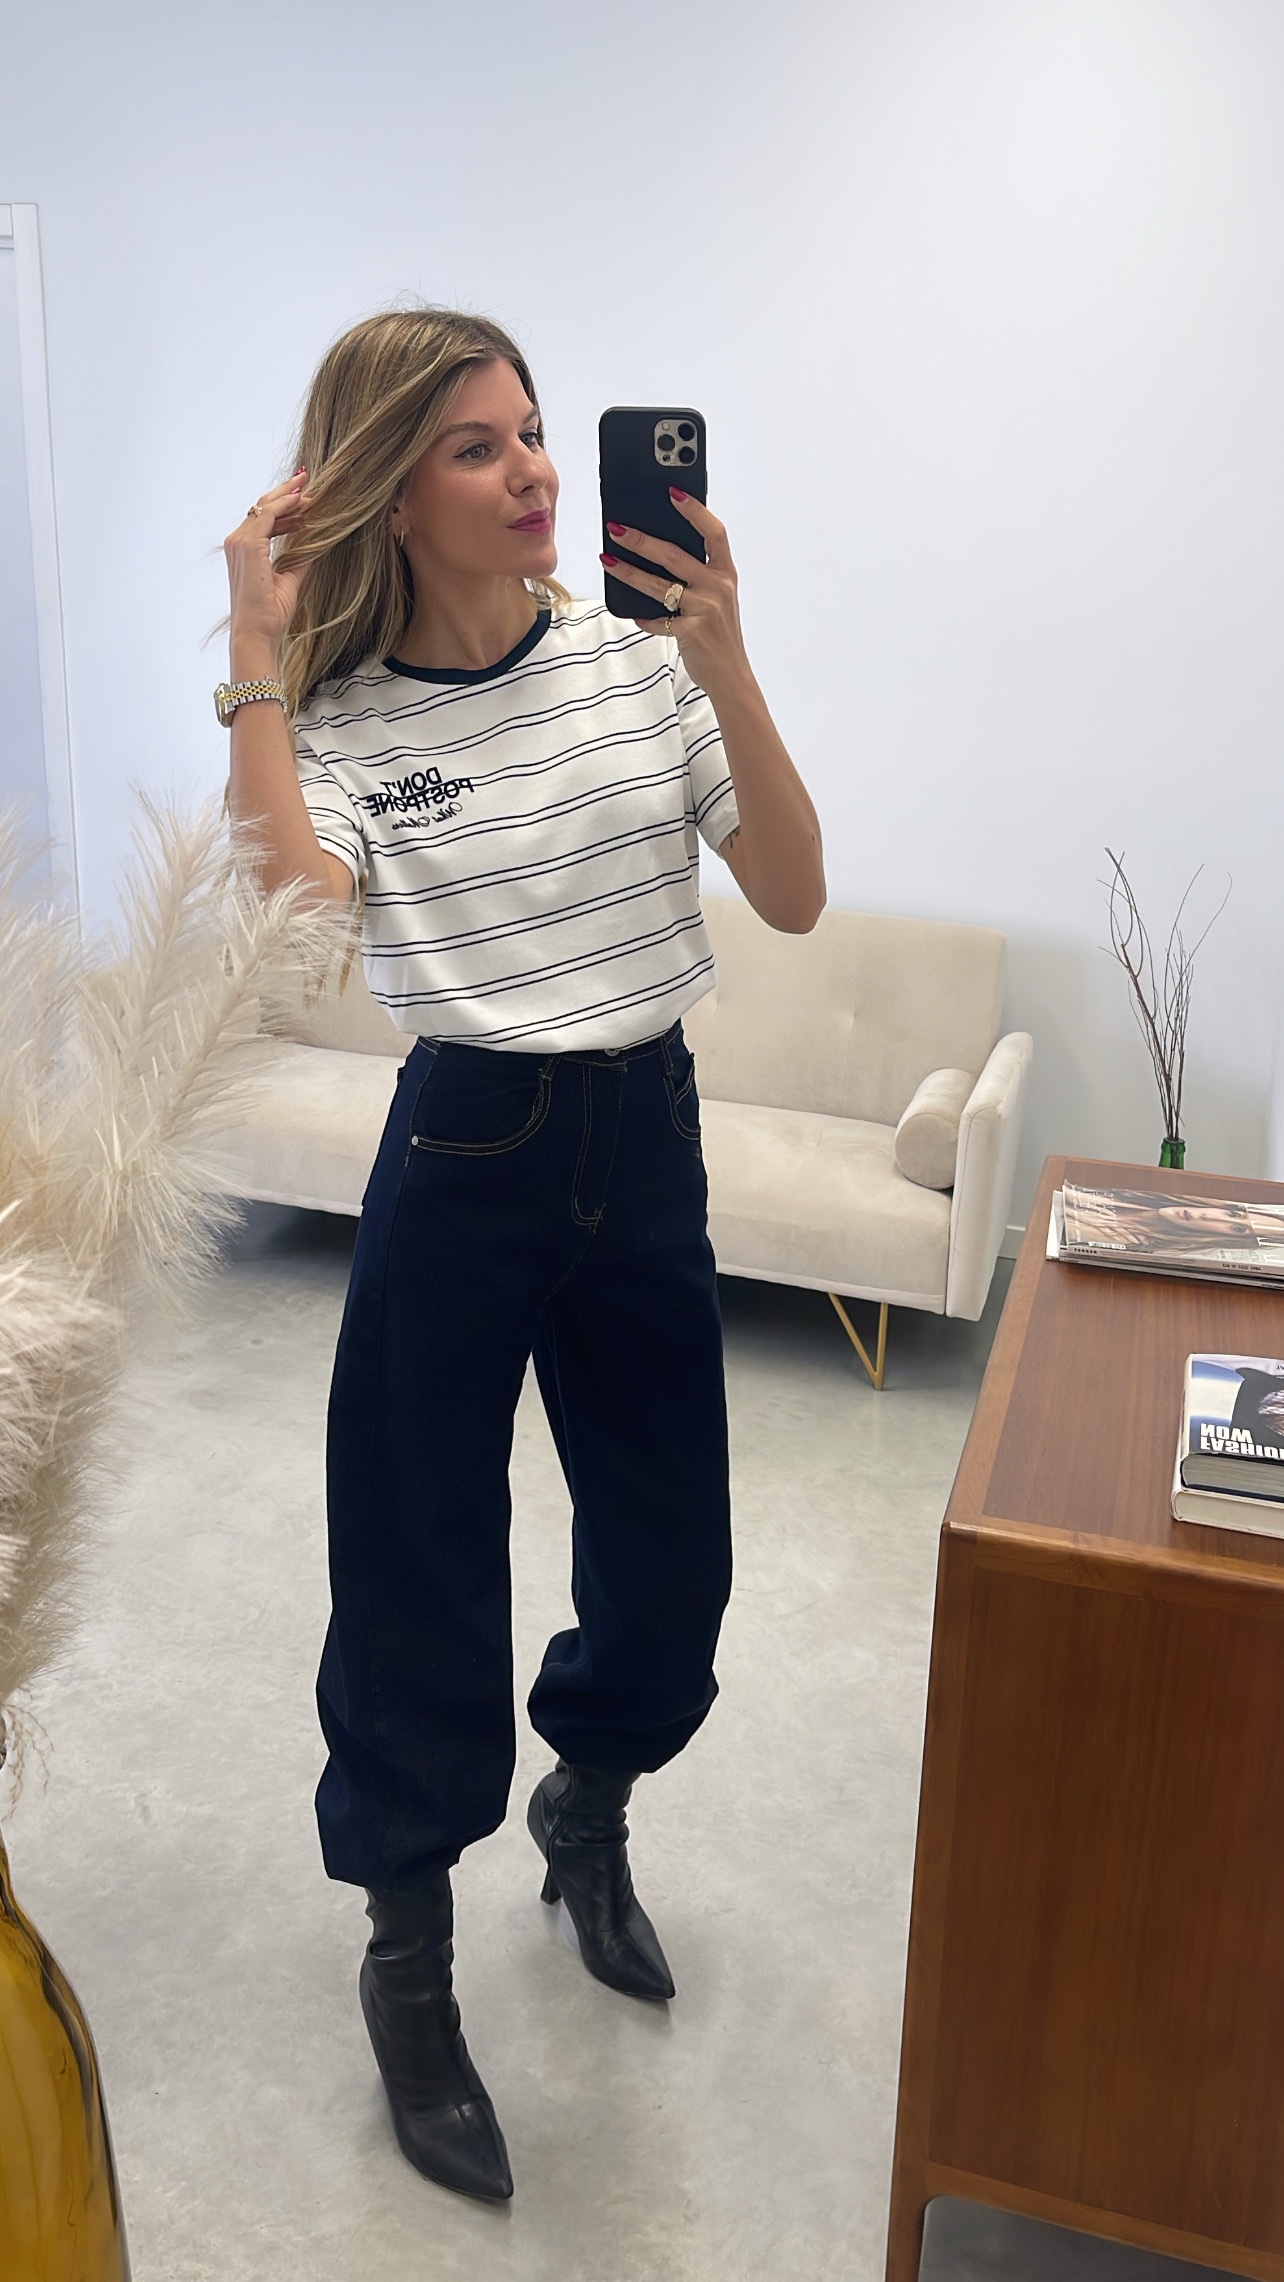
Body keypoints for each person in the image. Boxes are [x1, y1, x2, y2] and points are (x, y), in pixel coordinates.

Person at [221, 306, 824, 2204]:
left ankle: (591, 1801)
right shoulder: (340, 720)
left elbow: (795, 889)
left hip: (645, 1139)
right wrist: (253, 658)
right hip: (465, 1148)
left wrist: (729, 667)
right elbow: (301, 935)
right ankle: (408, 1955)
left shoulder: (641, 669)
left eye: (537, 431)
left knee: (674, 1560)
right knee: (413, 1555)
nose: (537, 472)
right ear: (390, 492)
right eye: (476, 446)